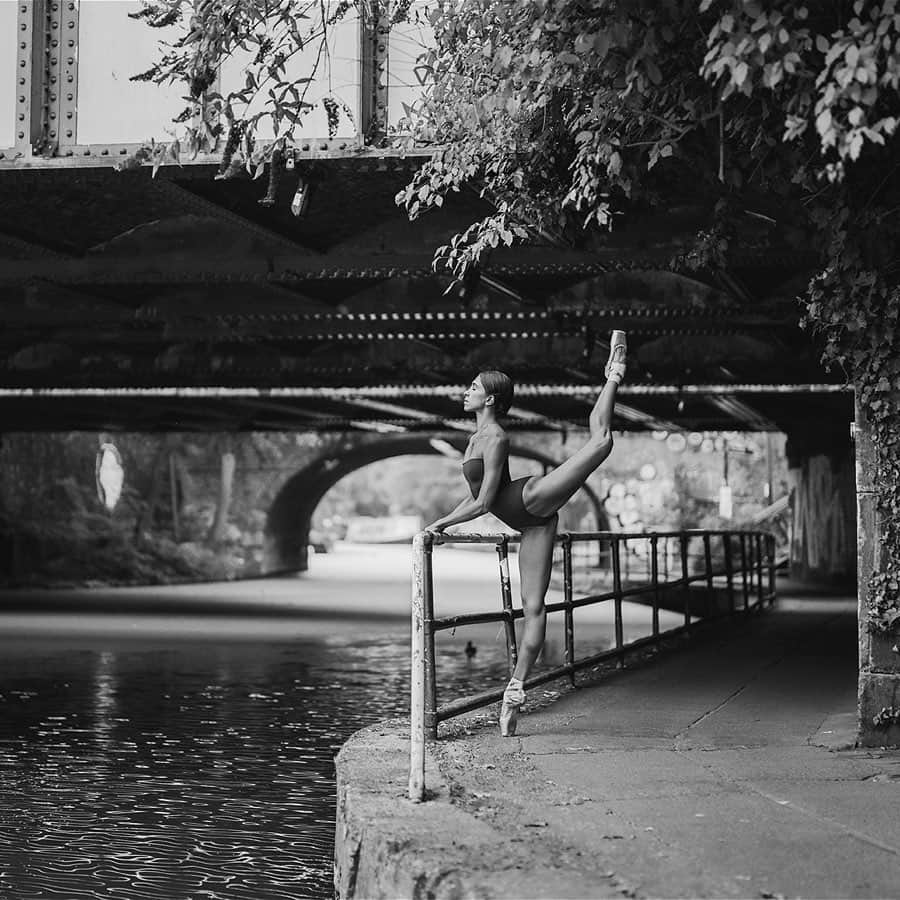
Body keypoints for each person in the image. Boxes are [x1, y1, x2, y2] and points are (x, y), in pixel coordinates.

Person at [425, 330, 627, 736]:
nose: (466, 392)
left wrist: (441, 524)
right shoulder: (473, 437)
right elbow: (478, 499)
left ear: (491, 400)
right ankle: (514, 690)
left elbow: (484, 502)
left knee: (601, 442)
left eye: (474, 387)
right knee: (534, 608)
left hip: (529, 500)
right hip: (530, 522)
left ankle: (615, 372)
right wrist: (441, 522)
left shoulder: (496, 437)